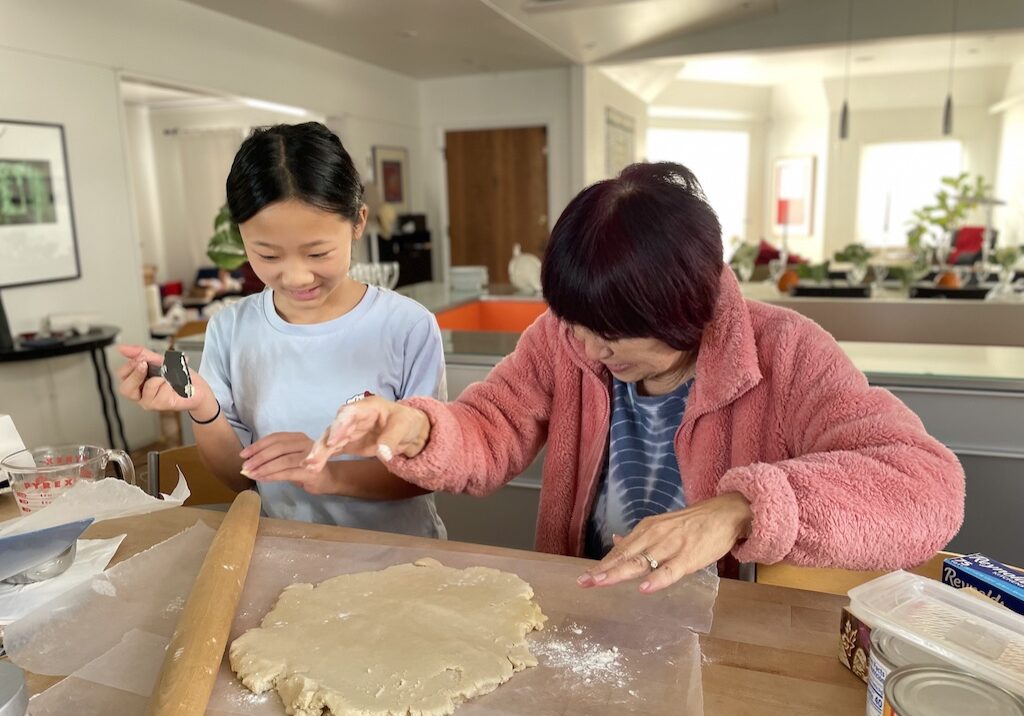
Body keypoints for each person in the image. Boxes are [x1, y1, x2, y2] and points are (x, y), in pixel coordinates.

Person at [305, 162, 965, 591]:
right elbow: (492, 426)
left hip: (719, 632)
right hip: (588, 612)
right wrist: (414, 426)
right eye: (572, 319)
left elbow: (930, 486)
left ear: (689, 307)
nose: (587, 348)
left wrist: (741, 509)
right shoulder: (567, 340)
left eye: (613, 332)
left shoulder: (785, 354)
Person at [117, 122, 446, 538]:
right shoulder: (231, 329)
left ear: (358, 222)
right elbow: (241, 481)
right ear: (242, 236)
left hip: (396, 558)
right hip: (287, 556)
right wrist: (201, 405)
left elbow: (426, 472)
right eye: (267, 254)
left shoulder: (407, 327)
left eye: (318, 252)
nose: (295, 277)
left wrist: (327, 475)